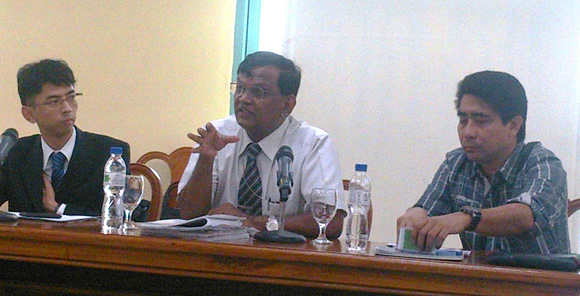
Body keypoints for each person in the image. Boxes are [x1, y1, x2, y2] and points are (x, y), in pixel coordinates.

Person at [397, 70, 570, 254]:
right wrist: (416, 215)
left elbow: (526, 216)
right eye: (463, 121)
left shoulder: (544, 164)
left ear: (514, 126)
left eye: (481, 121)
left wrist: (467, 218)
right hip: (478, 281)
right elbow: (427, 211)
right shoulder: (456, 164)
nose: (468, 132)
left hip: (539, 281)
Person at [177, 51, 346, 238]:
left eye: (257, 92)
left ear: (287, 104)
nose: (243, 99)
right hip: (217, 257)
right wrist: (206, 160)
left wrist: (251, 222)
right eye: (240, 88)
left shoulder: (313, 143)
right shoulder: (217, 134)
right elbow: (188, 214)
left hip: (283, 261)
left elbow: (331, 223)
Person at [0, 59, 130, 216]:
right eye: (54, 101)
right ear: (29, 114)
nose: (67, 109)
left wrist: (58, 208)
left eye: (71, 97)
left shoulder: (108, 153)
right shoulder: (18, 152)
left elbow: (116, 216)